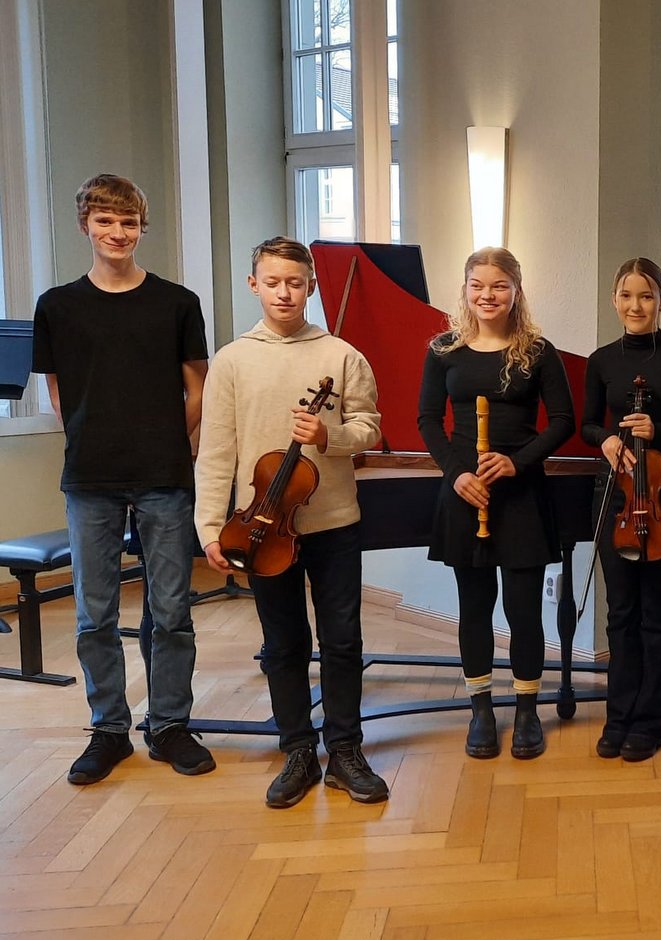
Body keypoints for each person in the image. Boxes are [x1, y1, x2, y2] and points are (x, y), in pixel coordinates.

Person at [194, 236, 387, 809]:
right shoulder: (232, 360)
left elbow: (371, 429)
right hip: (259, 527)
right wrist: (210, 527)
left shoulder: (342, 355)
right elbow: (217, 451)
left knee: (343, 639)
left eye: (295, 283)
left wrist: (330, 435)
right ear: (254, 285)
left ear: (311, 287)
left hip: (334, 523)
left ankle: (345, 751)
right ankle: (298, 749)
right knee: (282, 643)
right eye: (273, 282)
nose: (284, 292)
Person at [33, 174, 213, 784]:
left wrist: (165, 439)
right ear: (85, 225)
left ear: (142, 228)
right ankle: (109, 729)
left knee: (172, 610)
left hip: (165, 476)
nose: (117, 232)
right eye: (105, 221)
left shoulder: (177, 302)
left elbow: (197, 388)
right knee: (95, 614)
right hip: (90, 478)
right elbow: (59, 392)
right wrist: (94, 436)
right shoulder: (57, 306)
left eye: (128, 222)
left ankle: (169, 725)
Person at [418, 247, 575, 760]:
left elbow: (563, 421)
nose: (488, 295)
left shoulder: (538, 351)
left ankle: (527, 710)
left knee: (524, 609)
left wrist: (517, 462)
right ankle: (481, 709)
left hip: (521, 492)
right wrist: (457, 474)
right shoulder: (443, 349)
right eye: (478, 285)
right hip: (465, 491)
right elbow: (427, 420)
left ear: (516, 291)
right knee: (474, 607)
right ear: (465, 289)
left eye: (499, 286)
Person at [580, 258, 661, 761]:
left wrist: (660, 431)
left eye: (646, 295)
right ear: (614, 300)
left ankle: (651, 721)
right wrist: (607, 440)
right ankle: (618, 717)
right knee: (620, 613)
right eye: (626, 295)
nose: (635, 305)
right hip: (615, 493)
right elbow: (588, 424)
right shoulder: (601, 360)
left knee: (657, 613)